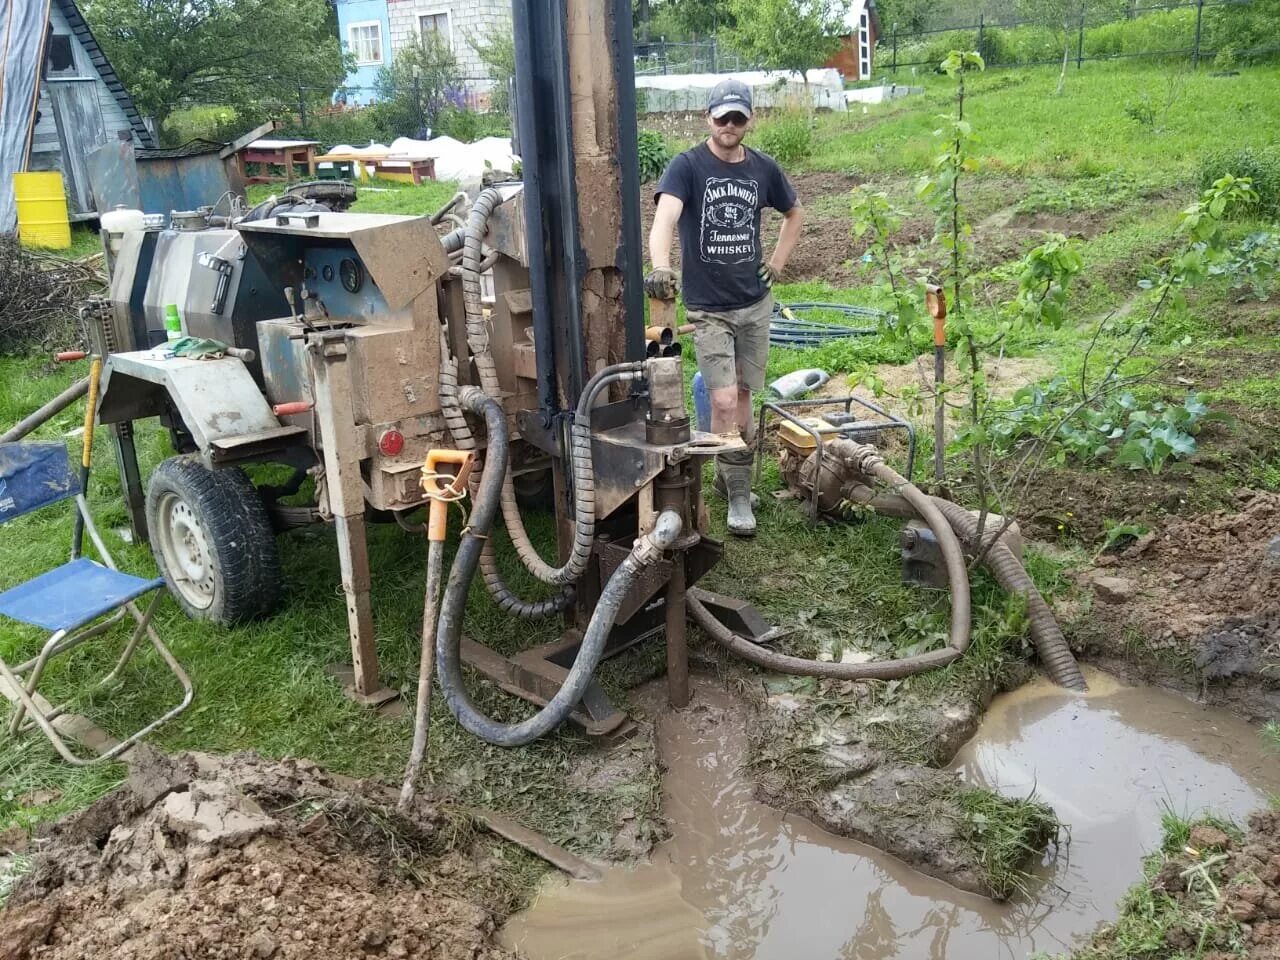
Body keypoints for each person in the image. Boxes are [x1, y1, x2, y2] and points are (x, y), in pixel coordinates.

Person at [645, 79, 804, 537]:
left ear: (748, 119)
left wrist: (776, 261)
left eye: (738, 117)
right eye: (722, 117)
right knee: (721, 398)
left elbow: (795, 213)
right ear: (707, 118)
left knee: (745, 398)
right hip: (709, 307)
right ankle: (738, 495)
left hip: (754, 305)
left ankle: (728, 475)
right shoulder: (687, 167)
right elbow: (664, 221)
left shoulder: (762, 169)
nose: (729, 125)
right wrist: (660, 265)